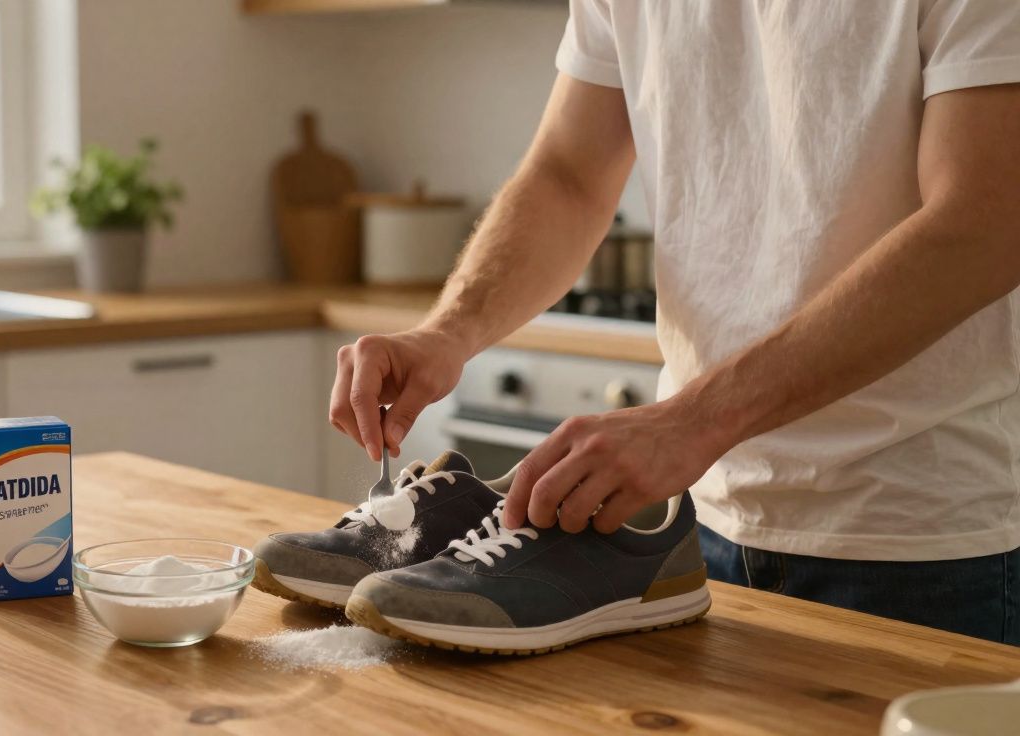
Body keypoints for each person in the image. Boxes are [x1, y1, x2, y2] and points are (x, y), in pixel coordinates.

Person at [328, 0, 1020, 645]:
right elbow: (569, 173)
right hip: (692, 523)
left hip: (918, 541)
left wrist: (693, 422)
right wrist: (448, 331)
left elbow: (988, 220)